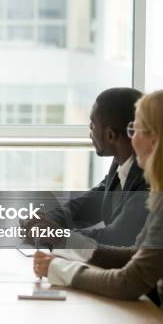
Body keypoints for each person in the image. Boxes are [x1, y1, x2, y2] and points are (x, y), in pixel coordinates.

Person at [33, 89, 163, 324]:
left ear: (156, 137)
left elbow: (130, 282)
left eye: (135, 130)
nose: (131, 140)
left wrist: (59, 270)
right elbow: (134, 256)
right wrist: (64, 242)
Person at [23, 87, 149, 247]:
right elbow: (90, 203)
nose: (90, 133)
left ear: (110, 135)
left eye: (92, 126)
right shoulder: (121, 162)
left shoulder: (148, 179)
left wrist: (58, 235)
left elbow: (118, 236)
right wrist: (44, 222)